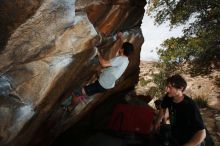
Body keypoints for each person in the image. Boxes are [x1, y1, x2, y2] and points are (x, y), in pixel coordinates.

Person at [63, 32, 134, 110]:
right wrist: (121, 37)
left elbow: (104, 64)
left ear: (122, 49)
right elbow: (124, 45)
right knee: (97, 73)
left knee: (77, 92)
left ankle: (70, 107)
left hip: (101, 85)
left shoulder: (120, 59)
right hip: (106, 83)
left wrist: (98, 53)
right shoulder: (126, 59)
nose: (120, 47)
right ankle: (85, 93)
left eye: (121, 47)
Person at [154, 74, 206, 146]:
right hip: (176, 137)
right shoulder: (168, 97)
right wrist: (157, 122)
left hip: (190, 141)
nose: (166, 89)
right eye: (167, 86)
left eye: (170, 87)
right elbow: (163, 108)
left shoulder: (190, 106)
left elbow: (202, 133)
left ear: (181, 88)